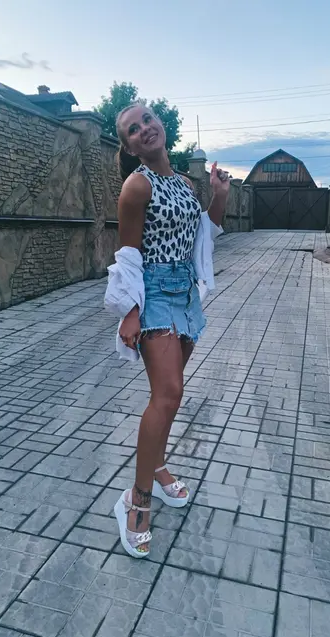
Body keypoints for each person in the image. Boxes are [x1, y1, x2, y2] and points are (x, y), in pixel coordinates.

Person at [106, 103, 229, 558]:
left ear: (160, 125)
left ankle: (157, 467)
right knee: (168, 393)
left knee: (170, 395)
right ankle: (135, 500)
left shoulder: (183, 184)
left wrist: (218, 194)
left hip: (186, 292)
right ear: (129, 146)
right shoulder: (137, 185)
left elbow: (202, 236)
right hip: (154, 293)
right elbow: (128, 254)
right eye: (132, 130)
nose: (143, 129)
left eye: (147, 120)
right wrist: (131, 310)